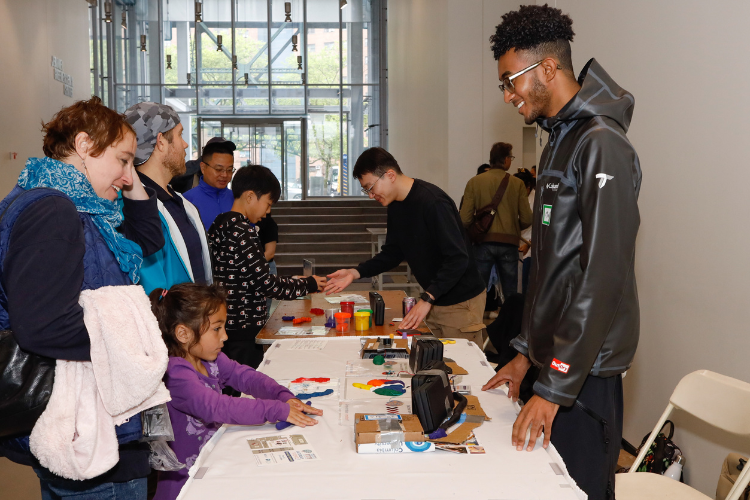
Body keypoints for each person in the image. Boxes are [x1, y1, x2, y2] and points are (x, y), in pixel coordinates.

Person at [480, 6, 641, 500]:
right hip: (555, 362)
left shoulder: (601, 144)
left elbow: (603, 276)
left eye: (512, 80)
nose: (508, 95)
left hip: (584, 370)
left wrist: (553, 387)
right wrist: (526, 354)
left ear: (547, 69)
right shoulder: (558, 141)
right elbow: (553, 269)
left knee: (579, 491)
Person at [0, 97, 164, 499]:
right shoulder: (54, 211)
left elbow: (144, 241)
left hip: (87, 427)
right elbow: (45, 326)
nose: (128, 177)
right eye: (123, 160)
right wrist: (135, 340)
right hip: (91, 438)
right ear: (86, 144)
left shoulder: (80, 208)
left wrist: (130, 178)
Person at [149, 283, 322, 500]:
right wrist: (276, 409)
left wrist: (282, 395)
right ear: (183, 333)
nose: (225, 337)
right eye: (216, 328)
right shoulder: (175, 373)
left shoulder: (210, 358)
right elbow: (216, 407)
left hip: (214, 467)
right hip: (185, 484)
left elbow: (246, 377)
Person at [325, 147, 486, 338]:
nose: (370, 195)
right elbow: (393, 253)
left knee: (462, 364)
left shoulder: (432, 202)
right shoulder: (395, 205)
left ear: (390, 175)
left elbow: (458, 258)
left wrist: (427, 298)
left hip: (460, 301)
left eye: (370, 187)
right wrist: (355, 272)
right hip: (434, 297)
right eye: (365, 190)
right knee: (429, 361)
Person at [208, 165, 326, 368]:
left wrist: (293, 281)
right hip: (245, 330)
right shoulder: (243, 230)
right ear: (250, 196)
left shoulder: (220, 223)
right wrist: (308, 284)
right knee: (246, 387)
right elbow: (266, 284)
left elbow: (247, 275)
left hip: (228, 323)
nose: (268, 212)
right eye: (268, 204)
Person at [125, 102, 213, 294]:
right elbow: (151, 287)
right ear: (161, 142)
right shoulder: (138, 211)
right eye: (180, 135)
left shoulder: (181, 203)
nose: (185, 144)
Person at [460, 142, 532, 302]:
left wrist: (478, 228)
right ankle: (511, 325)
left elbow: (464, 219)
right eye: (511, 157)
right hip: (509, 245)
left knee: (478, 291)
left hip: (483, 244)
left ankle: (474, 325)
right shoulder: (517, 184)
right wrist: (512, 227)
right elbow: (527, 218)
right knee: (511, 292)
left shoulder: (474, 182)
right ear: (506, 159)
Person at [183, 137, 237, 230]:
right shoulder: (187, 201)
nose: (224, 175)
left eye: (229, 170)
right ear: (203, 168)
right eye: (218, 169)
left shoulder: (237, 199)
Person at [513, 169, 535, 296]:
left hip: (529, 246)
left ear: (528, 186)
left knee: (526, 284)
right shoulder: (513, 197)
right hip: (515, 245)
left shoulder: (537, 199)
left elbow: (539, 227)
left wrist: (529, 244)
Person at [256, 213, 280, 316]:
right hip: (251, 269)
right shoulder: (243, 224)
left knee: (265, 309)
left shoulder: (269, 223)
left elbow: (270, 253)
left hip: (266, 267)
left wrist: (251, 265)